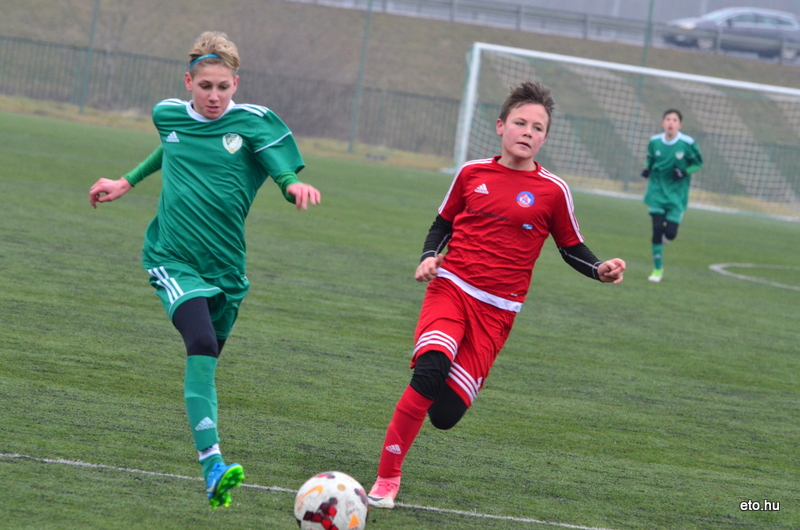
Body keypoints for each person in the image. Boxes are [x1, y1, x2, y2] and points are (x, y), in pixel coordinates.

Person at [366, 81, 626, 509]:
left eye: (537, 127)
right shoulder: (471, 173)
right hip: (451, 288)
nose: (527, 131)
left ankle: (431, 402)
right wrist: (430, 257)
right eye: (520, 122)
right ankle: (387, 478)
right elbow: (441, 224)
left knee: (445, 415)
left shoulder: (553, 191)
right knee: (429, 371)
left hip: (498, 312)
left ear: (545, 137)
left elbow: (569, 247)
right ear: (501, 126)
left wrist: (599, 270)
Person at [88, 31, 321, 509]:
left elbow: (280, 168)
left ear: (237, 83)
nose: (214, 96)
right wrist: (125, 182)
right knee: (199, 342)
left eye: (224, 86)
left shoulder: (255, 124)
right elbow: (170, 147)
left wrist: (294, 185)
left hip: (228, 270)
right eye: (205, 86)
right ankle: (213, 464)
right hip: (172, 257)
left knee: (208, 360)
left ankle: (211, 469)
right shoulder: (167, 114)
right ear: (188, 81)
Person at [640, 109, 703, 283]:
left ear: (680, 125)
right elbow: (650, 160)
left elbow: (698, 163)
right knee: (657, 228)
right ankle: (657, 269)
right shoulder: (654, 142)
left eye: (674, 120)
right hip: (657, 192)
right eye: (668, 119)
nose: (670, 123)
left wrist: (684, 172)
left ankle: (667, 237)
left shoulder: (687, 143)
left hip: (676, 195)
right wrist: (647, 168)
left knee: (670, 233)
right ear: (662, 123)